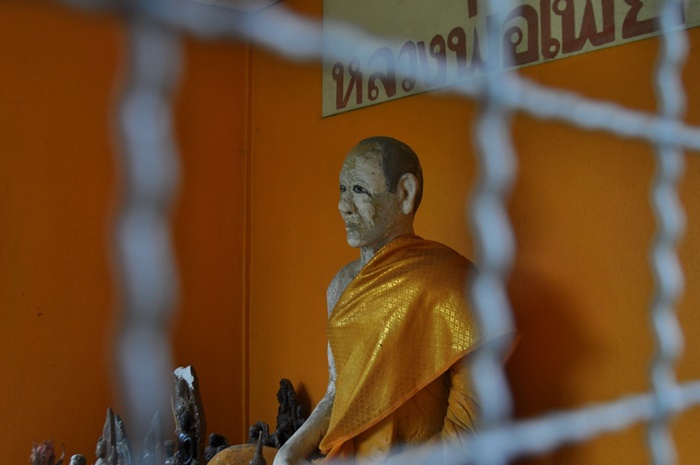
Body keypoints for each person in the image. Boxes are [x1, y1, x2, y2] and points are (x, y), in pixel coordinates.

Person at [274, 136, 484, 465]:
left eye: (359, 189)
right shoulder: (341, 286)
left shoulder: (453, 282)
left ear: (405, 193)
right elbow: (339, 391)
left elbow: (470, 425)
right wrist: (289, 452)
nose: (343, 205)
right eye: (342, 189)